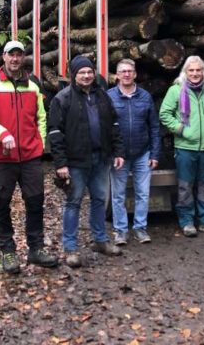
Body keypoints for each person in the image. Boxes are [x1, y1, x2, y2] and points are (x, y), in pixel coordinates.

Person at [0, 40, 59, 274]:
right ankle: (8, 251)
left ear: (23, 58)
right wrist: (2, 134)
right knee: (1, 204)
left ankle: (36, 249)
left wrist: (40, 142)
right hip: (1, 158)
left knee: (35, 202)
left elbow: (42, 116)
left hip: (30, 157)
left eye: (19, 55)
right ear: (3, 57)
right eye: (11, 55)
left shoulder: (33, 84)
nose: (15, 59)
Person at [48, 55, 125, 268]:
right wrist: (61, 164)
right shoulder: (62, 99)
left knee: (100, 199)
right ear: (74, 75)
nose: (87, 75)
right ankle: (71, 248)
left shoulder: (102, 96)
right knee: (73, 202)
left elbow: (114, 125)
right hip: (75, 162)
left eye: (90, 71)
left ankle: (100, 240)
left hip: (101, 158)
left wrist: (118, 151)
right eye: (82, 72)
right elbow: (54, 133)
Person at [159, 56, 204, 238]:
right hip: (185, 148)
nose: (195, 74)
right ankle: (187, 221)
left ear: (203, 72)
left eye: (198, 70)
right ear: (185, 72)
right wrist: (180, 129)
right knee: (185, 186)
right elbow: (164, 114)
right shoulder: (176, 90)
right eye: (191, 70)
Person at [107, 58, 161, 245]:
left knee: (143, 194)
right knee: (118, 194)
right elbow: (106, 128)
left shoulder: (145, 97)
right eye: (123, 71)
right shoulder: (109, 97)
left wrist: (155, 154)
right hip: (119, 155)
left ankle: (140, 228)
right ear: (117, 75)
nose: (127, 74)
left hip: (142, 153)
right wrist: (112, 153)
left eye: (130, 71)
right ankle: (121, 231)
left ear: (135, 74)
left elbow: (154, 127)